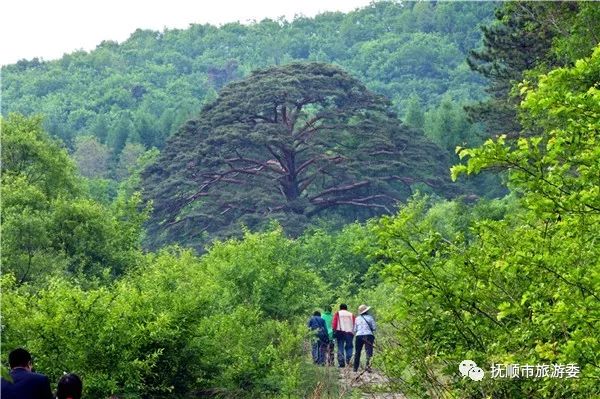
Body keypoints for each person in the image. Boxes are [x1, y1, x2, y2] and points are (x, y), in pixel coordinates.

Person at [353, 304, 376, 373]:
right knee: (369, 351)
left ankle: (355, 368)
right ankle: (368, 367)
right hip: (368, 335)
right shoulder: (370, 318)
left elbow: (355, 329)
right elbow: (374, 328)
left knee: (357, 352)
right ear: (367, 311)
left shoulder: (357, 318)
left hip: (359, 335)